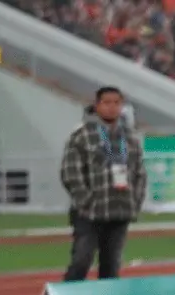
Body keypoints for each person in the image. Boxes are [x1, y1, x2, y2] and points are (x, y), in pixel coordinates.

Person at [60, 86, 146, 282]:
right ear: (97, 105)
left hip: (120, 210)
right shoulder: (82, 135)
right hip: (89, 212)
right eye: (107, 103)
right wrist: (86, 201)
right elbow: (70, 172)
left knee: (111, 266)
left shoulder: (130, 137)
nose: (112, 107)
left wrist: (135, 200)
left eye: (117, 103)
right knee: (81, 260)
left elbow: (140, 173)